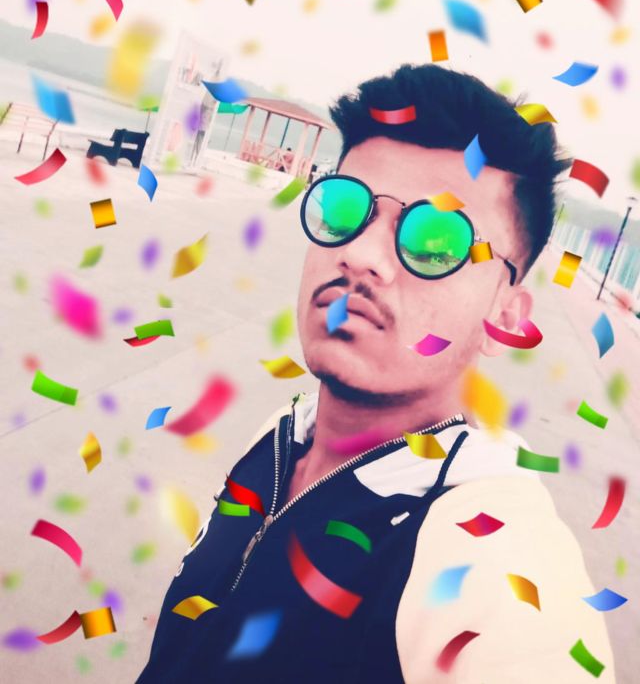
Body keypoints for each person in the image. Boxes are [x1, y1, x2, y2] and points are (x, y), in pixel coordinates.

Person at [138, 65, 616, 683]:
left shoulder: (491, 551)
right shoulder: (281, 438)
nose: (360, 255)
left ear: (505, 317)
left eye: (436, 241)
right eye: (345, 209)